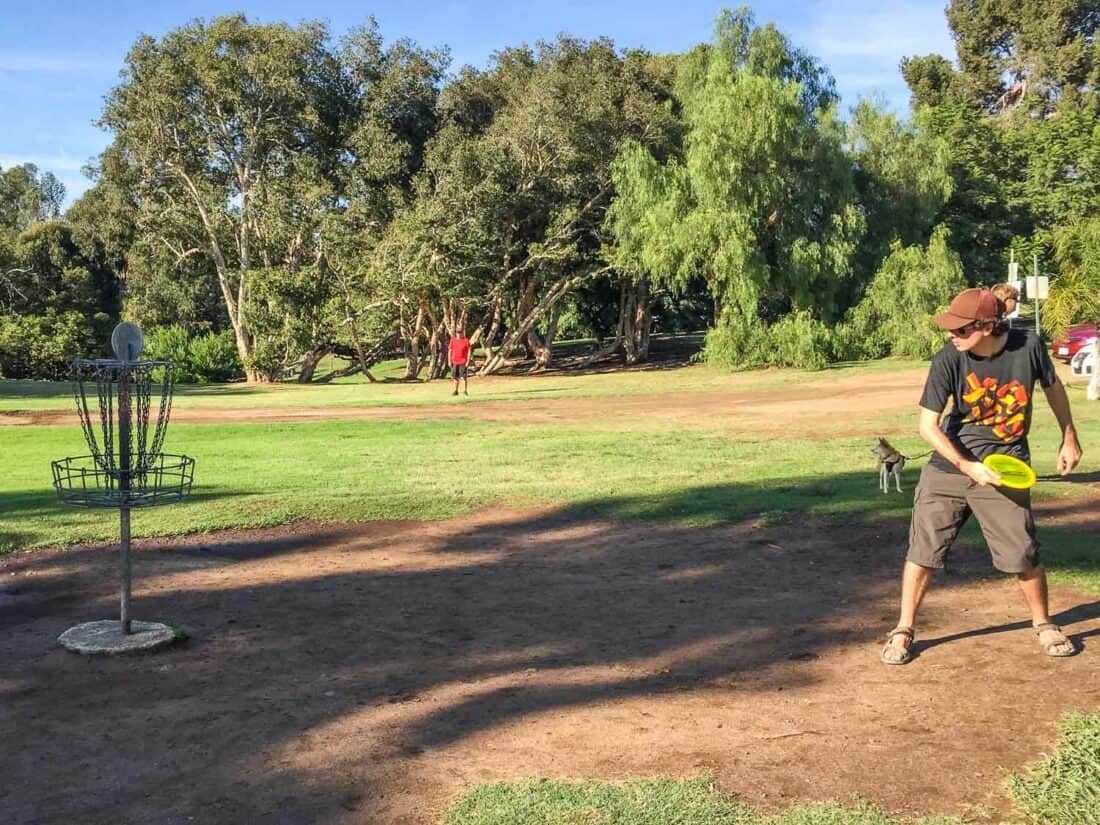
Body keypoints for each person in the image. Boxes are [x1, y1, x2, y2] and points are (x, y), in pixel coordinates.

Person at [881, 287, 1083, 665]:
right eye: (952, 330)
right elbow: (928, 426)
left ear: (988, 325)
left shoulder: (1028, 347)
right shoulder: (948, 359)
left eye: (961, 330)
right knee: (922, 551)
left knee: (1022, 552)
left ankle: (1044, 624)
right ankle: (904, 628)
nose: (952, 336)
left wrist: (1068, 437)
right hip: (951, 465)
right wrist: (966, 465)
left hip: (1006, 465)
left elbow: (1054, 389)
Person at [448, 326, 472, 396]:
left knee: (463, 377)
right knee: (455, 377)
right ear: (456, 333)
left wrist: (468, 360)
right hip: (455, 361)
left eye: (460, 332)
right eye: (458, 332)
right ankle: (455, 390)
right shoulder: (453, 340)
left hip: (463, 361)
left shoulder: (466, 340)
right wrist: (449, 360)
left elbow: (469, 351)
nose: (459, 334)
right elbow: (450, 350)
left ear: (462, 333)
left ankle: (465, 390)